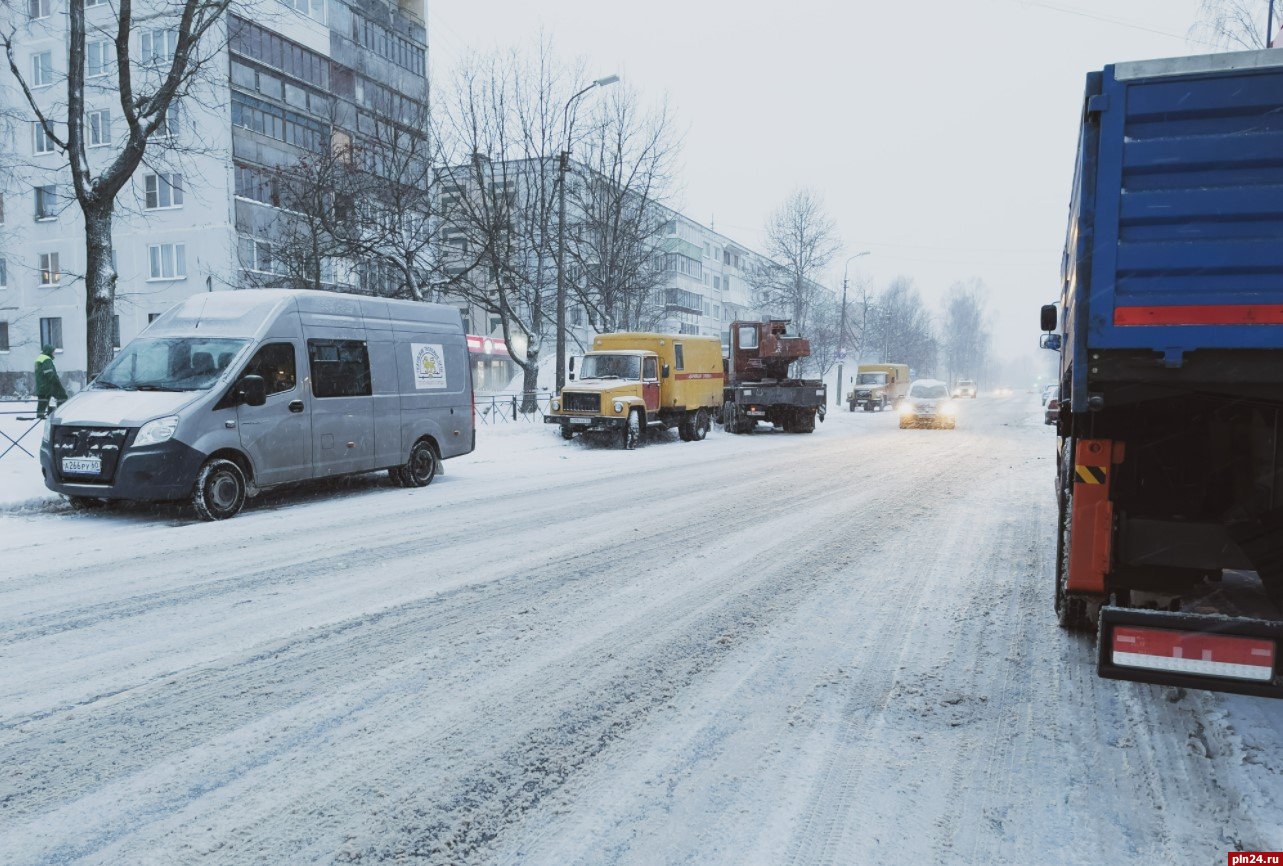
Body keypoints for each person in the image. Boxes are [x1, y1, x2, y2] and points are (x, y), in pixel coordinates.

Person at [35, 343, 68, 419]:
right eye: (53, 351)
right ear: (49, 351)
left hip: (41, 385)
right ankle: (60, 414)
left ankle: (40, 415)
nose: (54, 353)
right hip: (49, 385)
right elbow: (49, 373)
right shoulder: (46, 359)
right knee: (62, 396)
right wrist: (57, 382)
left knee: (43, 400)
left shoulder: (39, 358)